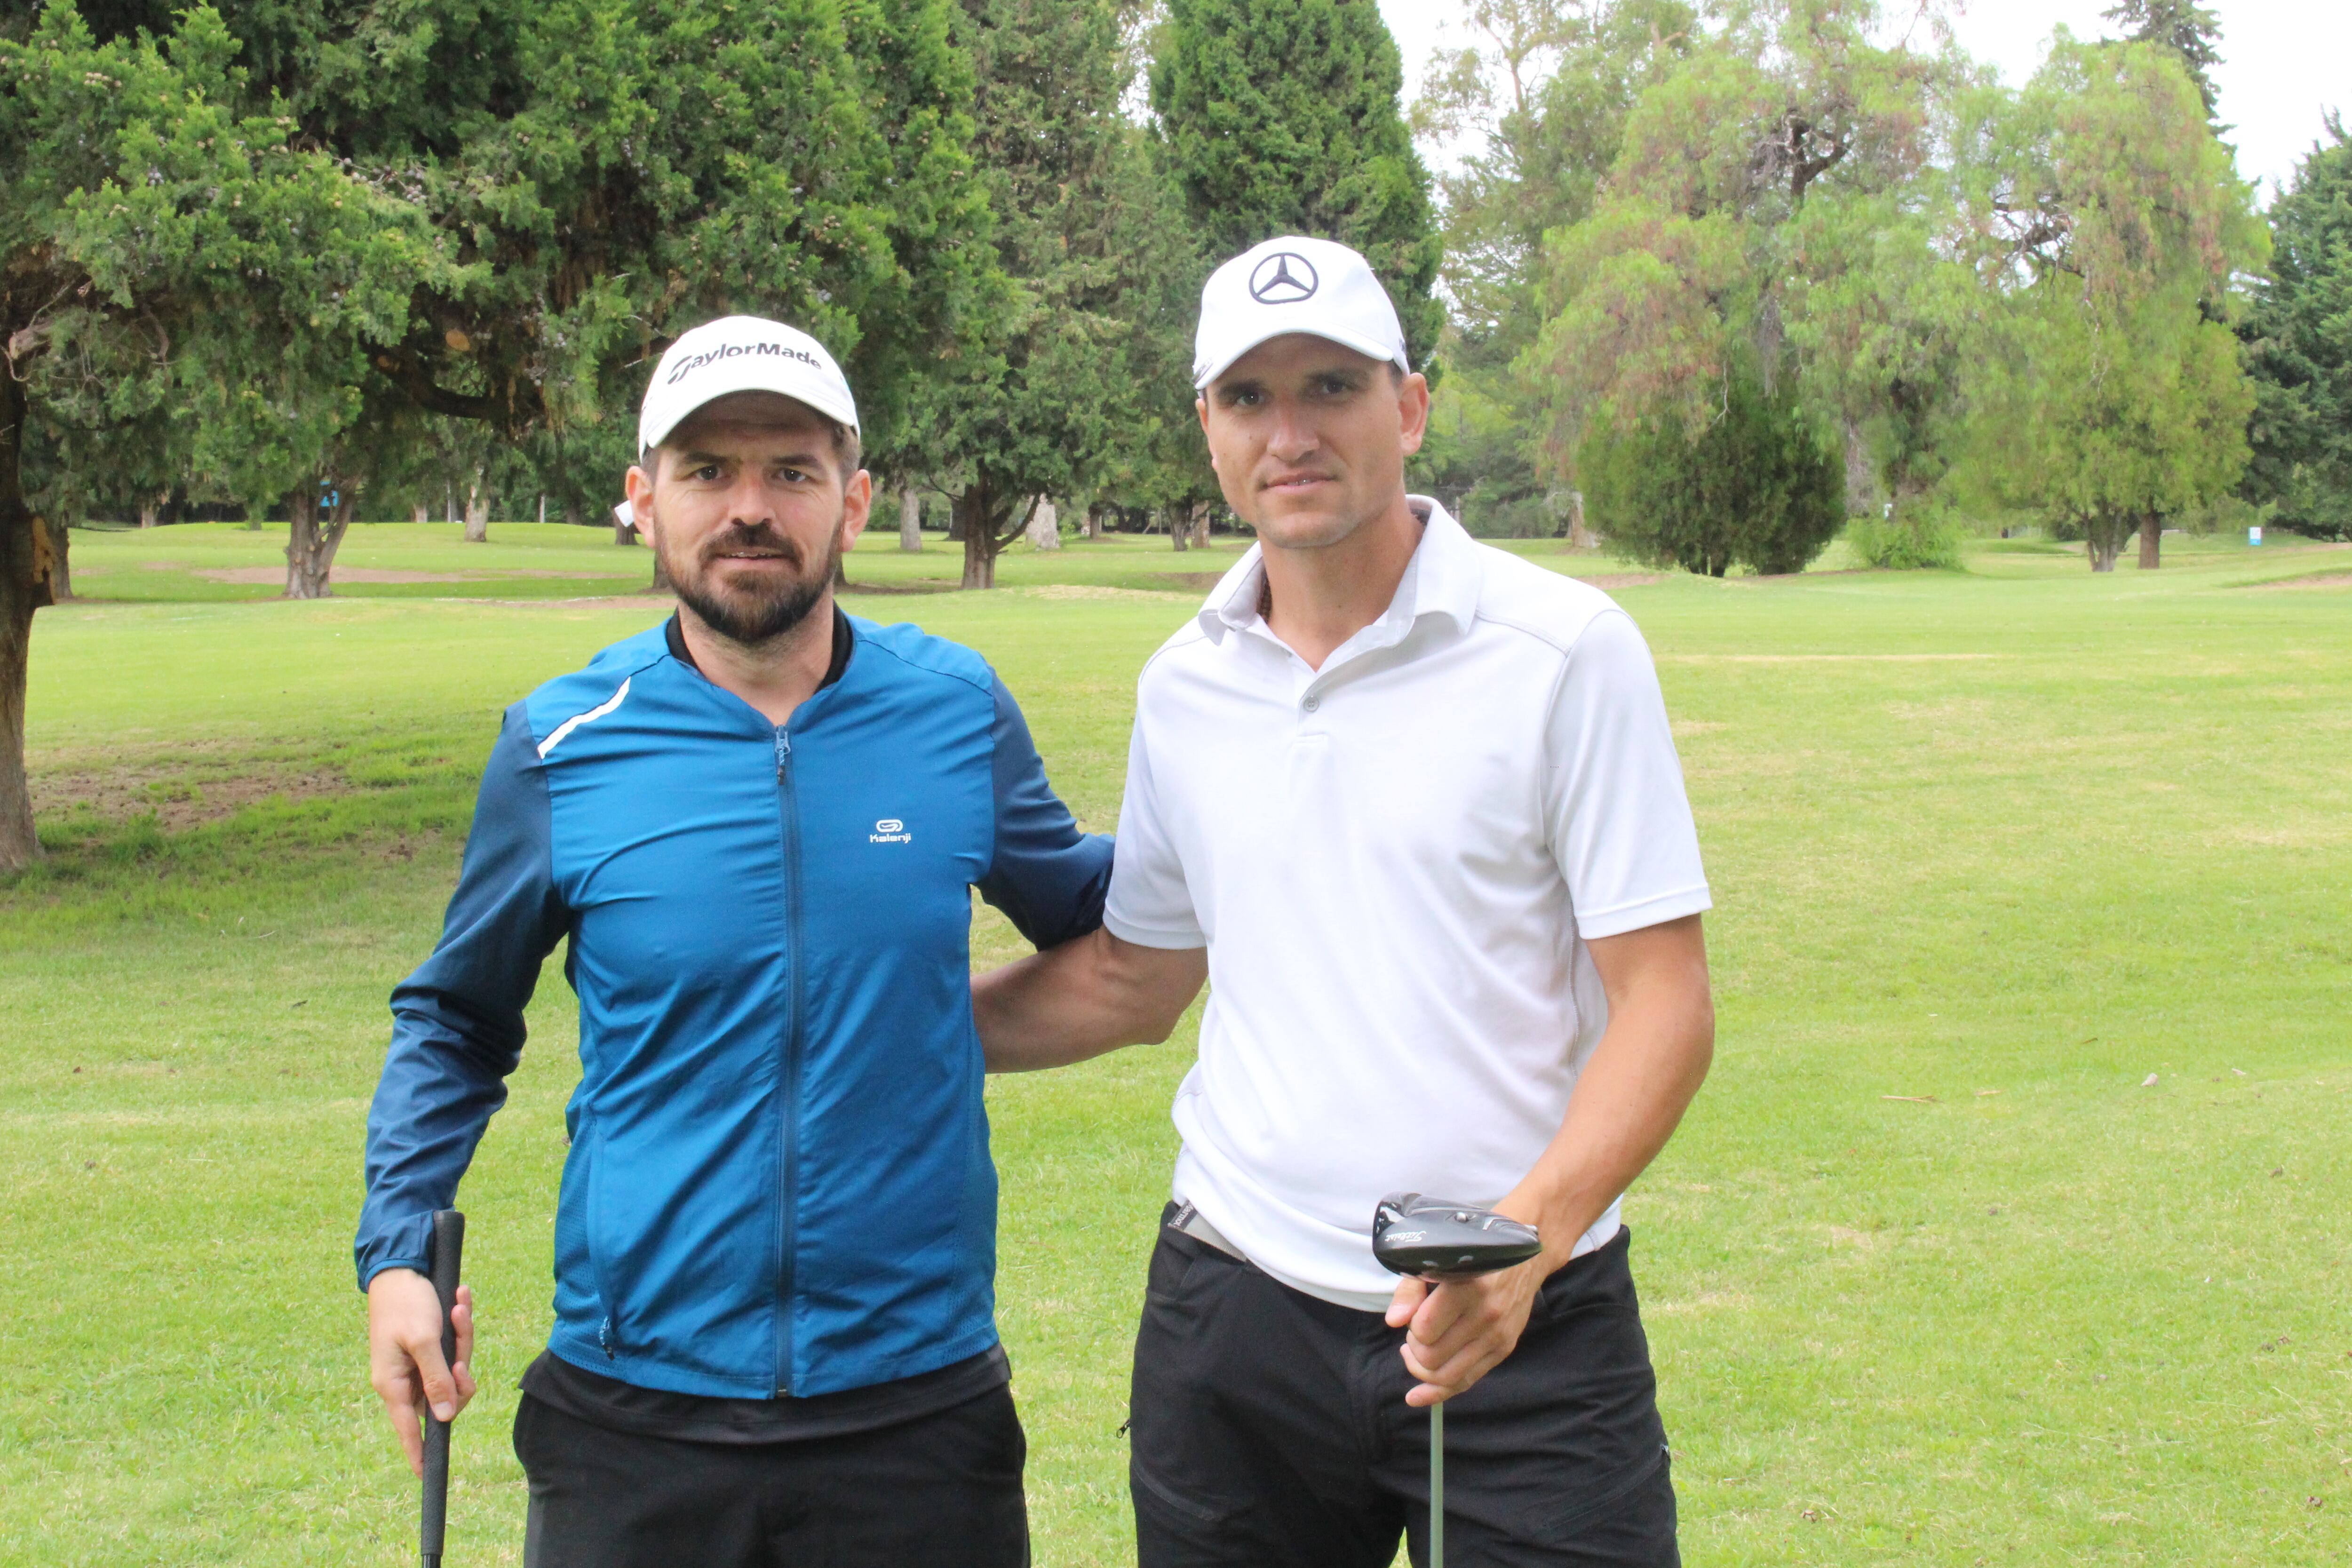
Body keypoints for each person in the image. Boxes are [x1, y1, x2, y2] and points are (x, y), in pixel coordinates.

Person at [973, 237, 1716, 1567]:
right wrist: (870, 1016)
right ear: (1206, 427)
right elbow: (1134, 982)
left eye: (1331, 386)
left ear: (1409, 406)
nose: (1291, 431)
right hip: (1237, 1321)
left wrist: (1525, 1247)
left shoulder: (1561, 652)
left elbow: (1663, 1003)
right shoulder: (1184, 686)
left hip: (1522, 1323)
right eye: (1249, 399)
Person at [357, 315, 1111, 1568]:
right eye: (708, 472)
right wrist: (397, 1256)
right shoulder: (562, 740)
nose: (748, 508)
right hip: (635, 1416)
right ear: (644, 501)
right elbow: (456, 1023)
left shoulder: (957, 712)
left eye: (792, 472)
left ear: (854, 503)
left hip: (917, 1411)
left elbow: (1097, 908)